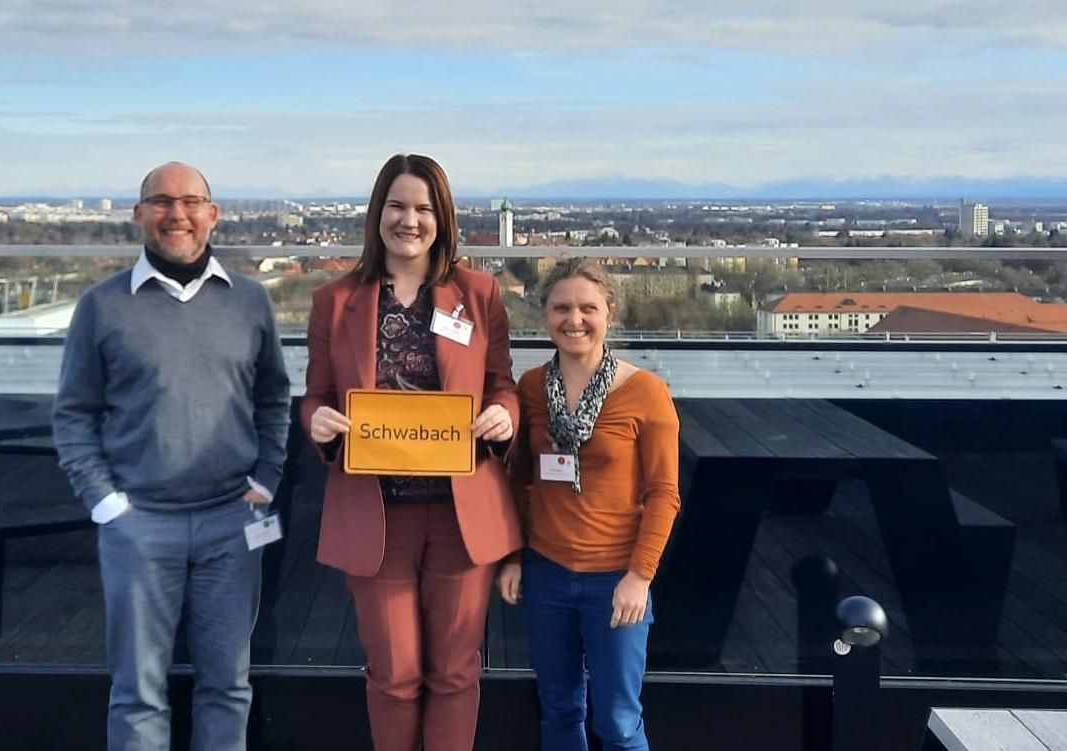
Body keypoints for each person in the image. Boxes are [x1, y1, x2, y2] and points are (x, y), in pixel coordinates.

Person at [52, 161, 291, 751]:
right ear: (138, 215)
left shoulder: (251, 301)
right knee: (137, 693)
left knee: (228, 686)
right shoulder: (102, 306)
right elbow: (74, 412)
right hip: (141, 524)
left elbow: (273, 398)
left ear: (213, 214)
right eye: (160, 202)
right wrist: (107, 505)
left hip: (233, 523)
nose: (176, 214)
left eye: (190, 202)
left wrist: (265, 482)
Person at [301, 153, 521, 751]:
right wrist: (316, 420)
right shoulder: (335, 300)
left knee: (454, 672)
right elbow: (314, 395)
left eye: (424, 208)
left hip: (460, 513)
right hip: (375, 515)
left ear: (441, 218)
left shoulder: (479, 293)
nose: (410, 219)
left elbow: (501, 383)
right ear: (378, 213)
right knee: (394, 674)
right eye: (397, 205)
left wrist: (506, 413)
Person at [499, 257, 681, 751]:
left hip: (616, 580)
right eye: (561, 307)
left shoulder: (646, 393)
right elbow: (518, 479)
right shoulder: (532, 388)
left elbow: (664, 494)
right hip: (547, 574)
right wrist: (514, 557)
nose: (573, 319)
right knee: (559, 709)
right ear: (544, 315)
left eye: (587, 308)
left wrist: (640, 577)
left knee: (619, 722)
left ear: (609, 312)